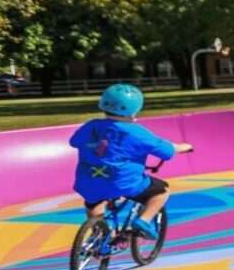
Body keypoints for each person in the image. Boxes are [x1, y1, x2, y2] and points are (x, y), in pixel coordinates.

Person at [69, 84, 194, 238]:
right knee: (162, 190)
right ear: (135, 110)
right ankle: (143, 221)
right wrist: (184, 147)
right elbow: (166, 151)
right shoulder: (137, 132)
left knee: (93, 201)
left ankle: (100, 234)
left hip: (88, 180)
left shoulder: (91, 126)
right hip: (123, 182)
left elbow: (74, 142)